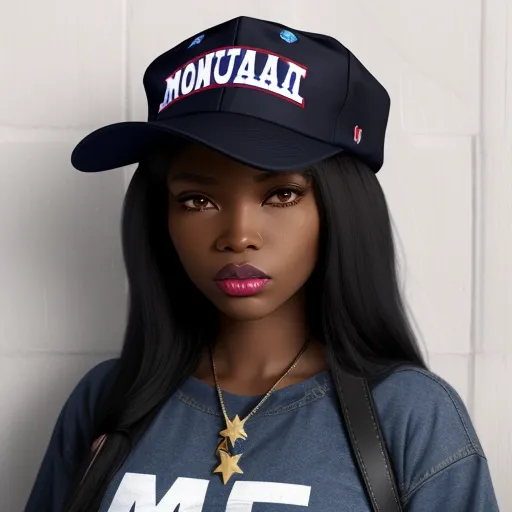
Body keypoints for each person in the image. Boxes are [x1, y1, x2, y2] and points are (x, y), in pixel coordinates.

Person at [25, 15, 500, 512]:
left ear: (341, 207)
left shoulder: (409, 415)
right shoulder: (106, 400)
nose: (238, 236)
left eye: (282, 193)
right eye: (196, 200)